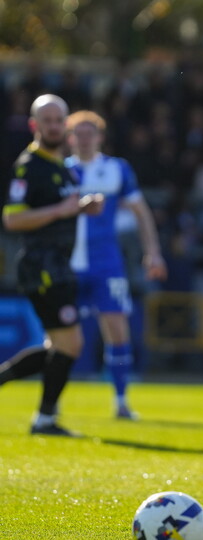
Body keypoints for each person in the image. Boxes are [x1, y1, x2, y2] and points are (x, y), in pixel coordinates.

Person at [0, 94, 104, 436]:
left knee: (57, 346)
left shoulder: (60, 165)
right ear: (35, 125)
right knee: (70, 344)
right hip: (41, 266)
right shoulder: (30, 166)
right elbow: (13, 220)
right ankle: (44, 419)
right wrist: (60, 211)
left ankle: (41, 414)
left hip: (57, 263)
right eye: (48, 121)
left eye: (60, 120)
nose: (56, 126)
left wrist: (82, 206)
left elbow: (62, 207)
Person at [65, 110, 167, 420]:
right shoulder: (60, 170)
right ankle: (51, 404)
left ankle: (121, 400)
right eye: (78, 134)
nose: (84, 140)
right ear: (70, 138)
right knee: (60, 337)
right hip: (66, 263)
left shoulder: (115, 169)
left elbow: (141, 211)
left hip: (106, 263)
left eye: (89, 133)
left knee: (117, 330)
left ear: (100, 137)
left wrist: (153, 251)